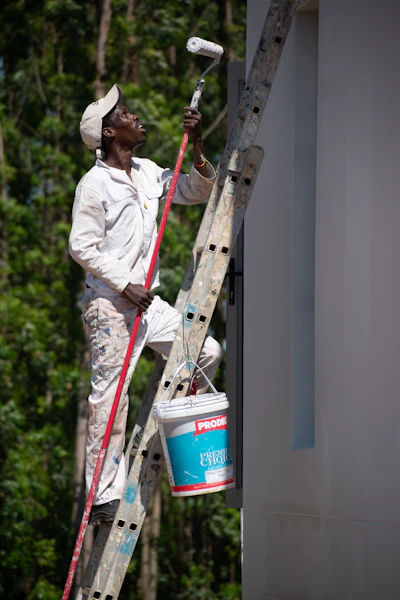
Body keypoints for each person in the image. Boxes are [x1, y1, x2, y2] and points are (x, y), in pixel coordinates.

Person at [69, 84, 222, 525]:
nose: (135, 117)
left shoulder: (149, 171)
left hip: (146, 304)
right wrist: (124, 283)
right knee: (110, 402)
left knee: (207, 352)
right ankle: (102, 498)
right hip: (111, 306)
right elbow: (82, 246)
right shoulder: (94, 184)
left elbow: (196, 191)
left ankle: (169, 422)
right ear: (109, 132)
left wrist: (197, 149)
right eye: (126, 114)